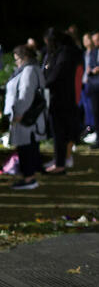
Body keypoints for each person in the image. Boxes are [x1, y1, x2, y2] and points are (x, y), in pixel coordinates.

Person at [5, 45, 48, 190]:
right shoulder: (32, 69)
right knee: (30, 146)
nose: (16, 63)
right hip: (30, 117)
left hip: (26, 117)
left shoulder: (29, 71)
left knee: (26, 148)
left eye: (17, 59)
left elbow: (26, 94)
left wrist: (18, 113)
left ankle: (29, 178)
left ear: (25, 58)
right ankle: (31, 176)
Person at [42, 29, 82, 174]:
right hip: (59, 98)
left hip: (61, 99)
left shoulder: (64, 54)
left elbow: (56, 75)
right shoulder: (60, 53)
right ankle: (60, 161)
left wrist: (42, 84)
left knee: (60, 133)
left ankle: (60, 164)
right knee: (59, 133)